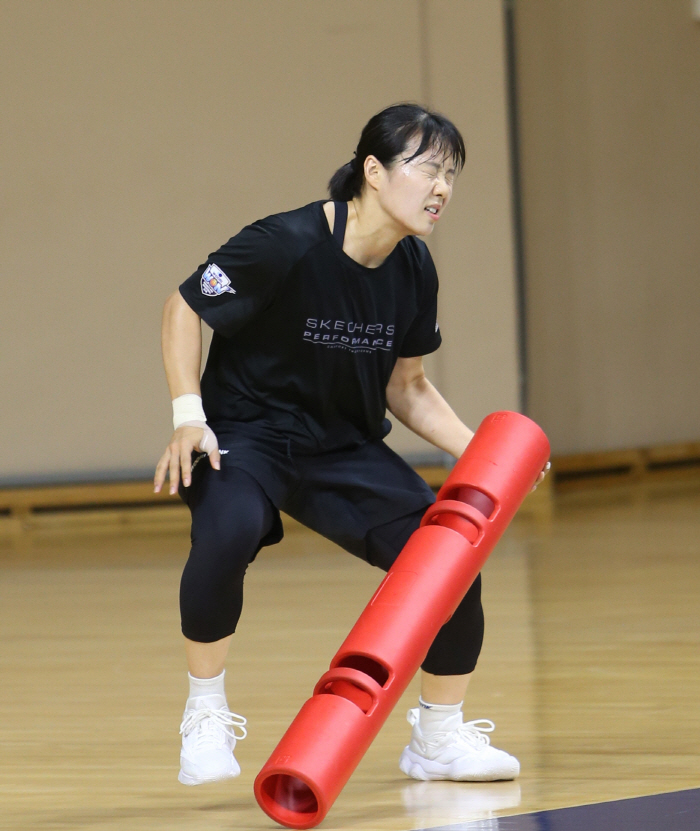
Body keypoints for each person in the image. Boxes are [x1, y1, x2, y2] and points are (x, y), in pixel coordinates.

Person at [154, 103, 547, 787]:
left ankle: (438, 737)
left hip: (342, 446)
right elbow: (186, 305)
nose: (442, 188)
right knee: (229, 529)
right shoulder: (285, 242)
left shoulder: (413, 269)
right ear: (372, 169)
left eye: (452, 174)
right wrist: (189, 414)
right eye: (428, 168)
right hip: (247, 433)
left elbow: (410, 386)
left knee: (450, 560)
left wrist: (487, 454)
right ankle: (206, 713)